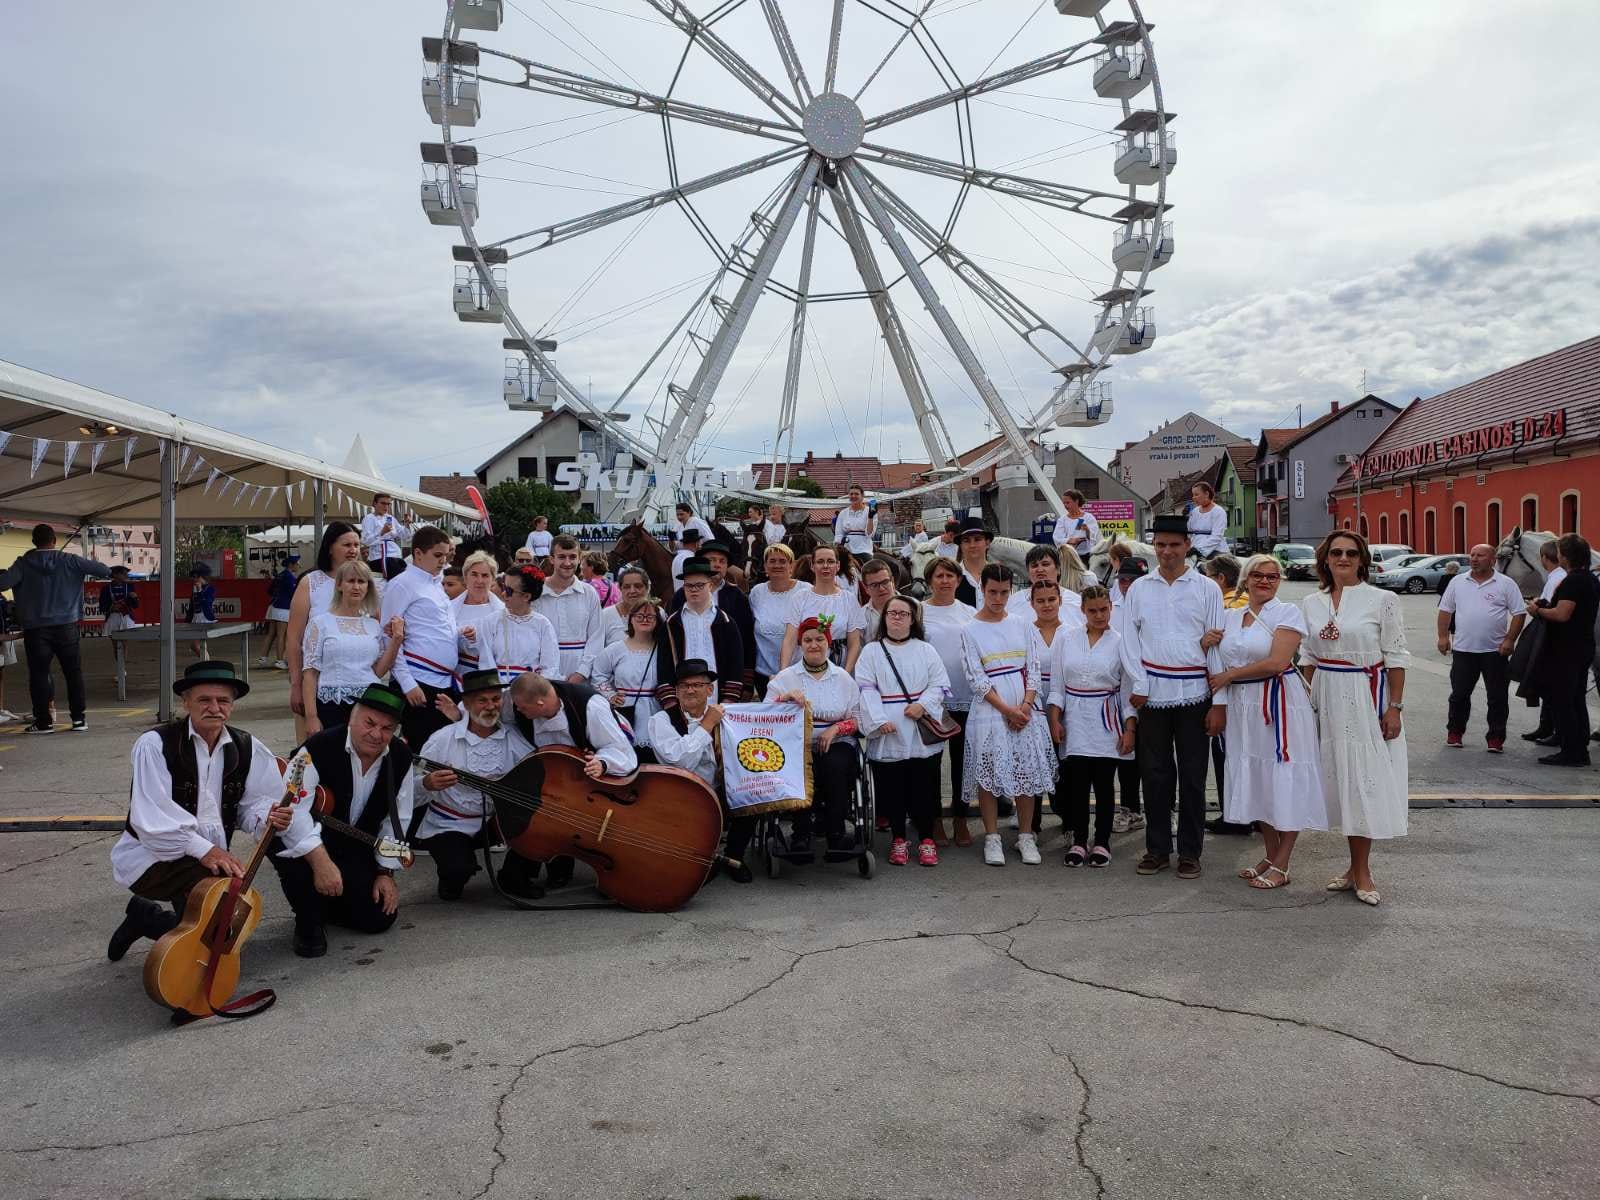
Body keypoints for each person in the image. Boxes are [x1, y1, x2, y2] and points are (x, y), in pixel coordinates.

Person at [105, 661, 292, 963]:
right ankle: (153, 921)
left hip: (209, 860)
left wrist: (267, 817)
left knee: (213, 929)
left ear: (232, 705)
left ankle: (147, 919)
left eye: (223, 700)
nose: (214, 708)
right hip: (151, 857)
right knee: (210, 926)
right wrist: (207, 850)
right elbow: (153, 820)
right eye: (204, 699)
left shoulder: (247, 746)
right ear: (186, 702)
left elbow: (253, 806)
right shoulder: (155, 744)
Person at [1302, 530, 1409, 905]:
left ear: (1362, 559)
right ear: (1325, 559)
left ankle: (1362, 870)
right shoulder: (1311, 602)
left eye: (1351, 553)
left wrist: (1394, 707)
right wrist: (1308, 702)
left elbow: (1395, 656)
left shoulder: (1382, 600)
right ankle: (1352, 868)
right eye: (1336, 552)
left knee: (1364, 781)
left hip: (1365, 698)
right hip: (1326, 697)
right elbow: (1308, 657)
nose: (1343, 558)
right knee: (1340, 783)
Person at [1207, 556, 1327, 890]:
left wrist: (1230, 675)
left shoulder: (1287, 613)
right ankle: (1271, 855)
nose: (1265, 581)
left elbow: (1277, 662)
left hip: (1279, 703)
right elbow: (1214, 653)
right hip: (1243, 706)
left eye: (1272, 576)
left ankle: (1283, 862)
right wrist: (1205, 643)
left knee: (1283, 777)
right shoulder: (1230, 616)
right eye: (1258, 575)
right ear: (1245, 579)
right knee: (1259, 779)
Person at [269, 684, 413, 956]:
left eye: (387, 728)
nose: (376, 734)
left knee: (378, 918)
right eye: (369, 723)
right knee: (282, 841)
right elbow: (294, 810)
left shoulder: (401, 757)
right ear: (351, 718)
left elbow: (398, 818)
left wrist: (385, 873)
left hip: (354, 846)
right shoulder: (315, 747)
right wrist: (320, 862)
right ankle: (308, 919)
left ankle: (326, 903)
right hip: (308, 843)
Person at [1122, 514, 1226, 880]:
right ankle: (1157, 849)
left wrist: (1218, 702)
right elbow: (1129, 641)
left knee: (1193, 777)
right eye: (1161, 545)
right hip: (1153, 695)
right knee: (1154, 775)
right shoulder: (1140, 589)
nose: (1167, 551)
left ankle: (1190, 852)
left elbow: (1217, 645)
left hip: (1195, 693)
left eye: (1174, 545)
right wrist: (1139, 684)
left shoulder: (1207, 589)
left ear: (1188, 546)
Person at [504, 669, 641, 891]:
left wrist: (602, 762)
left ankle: (618, 874)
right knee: (540, 812)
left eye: (522, 707)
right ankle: (527, 872)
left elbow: (620, 749)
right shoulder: (519, 703)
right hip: (553, 773)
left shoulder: (591, 707)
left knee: (600, 821)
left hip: (593, 772)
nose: (517, 710)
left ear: (540, 703)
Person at [961, 564, 1057, 866]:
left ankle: (1026, 836)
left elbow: (1034, 668)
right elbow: (976, 678)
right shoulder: (969, 629)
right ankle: (992, 838)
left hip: (1025, 710)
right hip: (991, 710)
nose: (998, 599)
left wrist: (1025, 706)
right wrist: (1007, 710)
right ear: (983, 590)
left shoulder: (1022, 624)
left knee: (1025, 771)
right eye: (992, 592)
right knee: (989, 774)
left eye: (1004, 592)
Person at [415, 670, 532, 901]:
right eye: (482, 701)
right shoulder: (441, 739)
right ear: (467, 704)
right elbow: (408, 787)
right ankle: (452, 875)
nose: (490, 706)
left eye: (496, 699)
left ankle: (513, 877)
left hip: (497, 822)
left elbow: (536, 773)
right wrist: (427, 783)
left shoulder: (514, 737)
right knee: (457, 869)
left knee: (539, 831)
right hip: (450, 822)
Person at [855, 596, 951, 867]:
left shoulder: (925, 650)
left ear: (912, 619)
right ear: (884, 618)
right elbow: (866, 688)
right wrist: (878, 720)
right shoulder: (872, 651)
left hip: (920, 728)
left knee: (924, 785)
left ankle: (927, 839)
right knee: (892, 786)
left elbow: (939, 684)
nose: (897, 617)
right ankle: (898, 838)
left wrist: (922, 705)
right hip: (888, 729)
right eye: (892, 613)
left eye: (903, 613)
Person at [1048, 585, 1137, 867]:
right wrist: (1054, 719)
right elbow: (1057, 685)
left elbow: (1127, 691)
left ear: (1111, 607)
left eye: (1104, 609)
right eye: (1093, 610)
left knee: (1103, 784)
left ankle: (1102, 841)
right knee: (1076, 784)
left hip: (1106, 719)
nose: (1099, 615)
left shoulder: (1121, 642)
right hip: (1074, 718)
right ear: (1082, 611)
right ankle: (1078, 840)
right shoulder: (1066, 638)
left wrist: (1130, 729)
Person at [769, 618, 867, 862]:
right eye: (808, 640)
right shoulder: (785, 678)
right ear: (800, 644)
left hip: (837, 742)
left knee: (835, 765)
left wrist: (836, 729)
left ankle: (836, 833)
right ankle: (801, 834)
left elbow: (858, 719)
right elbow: (765, 716)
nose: (814, 644)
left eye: (819, 639)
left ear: (828, 643)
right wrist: (784, 699)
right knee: (799, 768)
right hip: (795, 744)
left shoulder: (843, 678)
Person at [0, 524, 113, 734]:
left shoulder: (23, 563)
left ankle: (44, 722)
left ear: (33, 542)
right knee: (73, 673)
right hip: (67, 626)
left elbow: (3, 583)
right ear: (54, 540)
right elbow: (104, 571)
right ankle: (79, 719)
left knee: (39, 675)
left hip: (36, 629)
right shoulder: (70, 560)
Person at [648, 658, 752, 883]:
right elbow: (680, 761)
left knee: (753, 794)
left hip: (721, 788)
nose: (690, 690)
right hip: (685, 795)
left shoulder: (727, 716)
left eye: (697, 685)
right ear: (676, 691)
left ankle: (734, 856)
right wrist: (707, 726)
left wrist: (786, 698)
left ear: (710, 690)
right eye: (684, 686)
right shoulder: (661, 720)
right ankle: (702, 859)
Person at [381, 526, 470, 751]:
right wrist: (407, 683)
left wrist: (460, 633)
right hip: (418, 680)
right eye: (437, 555)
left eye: (446, 555)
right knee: (419, 750)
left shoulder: (436, 584)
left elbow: (434, 629)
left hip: (442, 681)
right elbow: (388, 637)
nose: (443, 561)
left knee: (441, 750)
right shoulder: (401, 584)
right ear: (418, 554)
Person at [1438, 543, 1525, 753]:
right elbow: (1445, 610)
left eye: (1480, 555)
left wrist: (1509, 640)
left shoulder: (1506, 584)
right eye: (1472, 555)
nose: (1474, 559)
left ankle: (1495, 738)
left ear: (1493, 560)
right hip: (1464, 650)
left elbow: (1519, 613)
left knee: (1497, 697)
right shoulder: (1458, 581)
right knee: (1459, 695)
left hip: (1495, 652)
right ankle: (1455, 732)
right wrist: (1442, 637)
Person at [1523, 533, 1598, 767]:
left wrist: (1537, 610)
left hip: (1567, 649)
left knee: (1564, 701)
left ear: (1565, 556)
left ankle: (1571, 751)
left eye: (1560, 552)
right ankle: (1579, 749)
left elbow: (1562, 614)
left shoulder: (1573, 581)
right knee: (1576, 700)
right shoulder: (1590, 579)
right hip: (1582, 646)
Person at [302, 560, 403, 734]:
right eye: (351, 581)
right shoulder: (320, 623)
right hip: (331, 706)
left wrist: (396, 641)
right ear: (339, 585)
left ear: (368, 587)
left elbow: (378, 671)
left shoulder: (373, 625)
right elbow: (310, 674)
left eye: (361, 581)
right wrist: (311, 716)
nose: (356, 586)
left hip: (369, 705)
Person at [287, 522, 366, 737]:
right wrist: (296, 684)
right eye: (347, 544)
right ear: (330, 547)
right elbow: (294, 639)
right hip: (315, 685)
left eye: (357, 544)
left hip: (359, 688)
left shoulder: (367, 584)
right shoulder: (310, 583)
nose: (353, 550)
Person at [921, 556, 976, 846]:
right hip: (931, 699)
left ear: (958, 580)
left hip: (965, 696)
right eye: (939, 576)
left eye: (949, 576)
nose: (944, 581)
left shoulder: (970, 612)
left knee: (962, 761)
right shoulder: (919, 612)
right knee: (931, 762)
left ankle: (960, 817)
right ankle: (934, 819)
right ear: (930, 581)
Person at [1200, 553, 1250, 835]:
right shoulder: (1250, 603)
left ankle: (1232, 815)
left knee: (1226, 753)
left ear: (1220, 579)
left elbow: (1214, 648)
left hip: (1230, 689)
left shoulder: (1224, 608)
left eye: (1208, 577)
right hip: (1257, 689)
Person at [660, 558, 747, 705]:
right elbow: (664, 666)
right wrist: (672, 705)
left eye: (700, 585)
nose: (694, 589)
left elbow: (736, 665)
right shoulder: (672, 624)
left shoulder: (726, 622)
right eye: (689, 585)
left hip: (719, 703)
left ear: (710, 586)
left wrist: (727, 702)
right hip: (682, 705)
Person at [673, 541, 755, 689]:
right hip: (687, 673)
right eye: (712, 560)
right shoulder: (681, 595)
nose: (717, 565)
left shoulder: (737, 596)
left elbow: (747, 639)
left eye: (722, 561)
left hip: (724, 673)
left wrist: (747, 681)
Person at [592, 600, 665, 765]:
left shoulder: (663, 650)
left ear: (657, 621)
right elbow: (598, 674)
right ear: (631, 619)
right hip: (626, 709)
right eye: (639, 616)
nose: (644, 620)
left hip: (656, 710)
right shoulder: (616, 649)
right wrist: (611, 695)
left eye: (650, 616)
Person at [779, 544, 865, 671]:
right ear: (812, 566)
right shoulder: (799, 598)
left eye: (830, 561)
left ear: (838, 566)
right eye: (820, 561)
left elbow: (854, 643)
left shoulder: (849, 600)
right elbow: (790, 639)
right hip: (806, 665)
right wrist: (783, 672)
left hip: (839, 666)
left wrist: (846, 674)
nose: (825, 566)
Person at [1108, 557, 1147, 833]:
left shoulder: (1155, 605)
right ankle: (1130, 809)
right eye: (1123, 580)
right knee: (1126, 754)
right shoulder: (1112, 608)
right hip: (1122, 690)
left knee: (1158, 758)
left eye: (1133, 580)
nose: (1127, 585)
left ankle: (1166, 809)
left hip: (1154, 689)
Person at [533, 534, 605, 683]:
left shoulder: (589, 593)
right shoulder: (536, 592)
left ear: (579, 559)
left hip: (580, 676)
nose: (567, 563)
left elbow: (596, 637)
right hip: (542, 676)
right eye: (561, 557)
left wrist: (582, 672)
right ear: (551, 559)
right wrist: (543, 674)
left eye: (572, 557)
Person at [1027, 578, 1068, 838]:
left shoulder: (1072, 632)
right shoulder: (1025, 632)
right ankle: (1031, 825)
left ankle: (1067, 818)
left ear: (1060, 600)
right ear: (1032, 603)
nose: (1046, 605)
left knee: (1063, 766)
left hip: (1064, 706)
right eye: (1040, 601)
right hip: (1033, 704)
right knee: (1033, 762)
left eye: (1051, 599)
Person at [479, 563, 561, 690]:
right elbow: (486, 662)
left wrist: (532, 691)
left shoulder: (542, 624)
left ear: (526, 596)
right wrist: (499, 689)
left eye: (509, 591)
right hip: (497, 691)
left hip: (530, 691)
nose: (503, 594)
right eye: (503, 587)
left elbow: (550, 666)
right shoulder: (491, 621)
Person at [748, 543, 811, 698]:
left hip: (801, 671)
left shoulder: (806, 590)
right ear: (765, 566)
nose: (777, 565)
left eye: (783, 561)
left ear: (791, 566)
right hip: (764, 674)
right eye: (772, 561)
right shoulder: (757, 592)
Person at [1521, 540, 1566, 744]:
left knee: (1552, 685)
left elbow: (1550, 608)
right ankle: (1546, 726)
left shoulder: (1558, 577)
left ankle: (1554, 729)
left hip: (1553, 638)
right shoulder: (1555, 577)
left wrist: (1535, 608)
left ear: (1544, 558)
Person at [452, 550, 505, 675]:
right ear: (465, 577)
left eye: (485, 575)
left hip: (492, 676)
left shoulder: (503, 611)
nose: (479, 580)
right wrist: (460, 635)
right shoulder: (449, 608)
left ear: (493, 579)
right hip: (456, 675)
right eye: (474, 574)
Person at [1009, 543, 1085, 628]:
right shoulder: (1013, 603)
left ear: (1058, 569)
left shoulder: (1077, 603)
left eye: (1045, 564)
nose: (1040, 570)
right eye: (1034, 566)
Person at [99, 563, 142, 675]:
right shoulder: (106, 588)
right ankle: (120, 667)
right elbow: (102, 606)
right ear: (115, 575)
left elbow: (136, 605)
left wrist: (135, 598)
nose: (126, 575)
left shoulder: (130, 586)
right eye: (123, 573)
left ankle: (122, 669)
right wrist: (111, 607)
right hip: (113, 618)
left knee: (124, 645)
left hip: (126, 617)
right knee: (116, 646)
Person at [361, 493, 412, 581]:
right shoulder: (369, 518)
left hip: (395, 554)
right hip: (380, 556)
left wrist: (407, 525)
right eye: (383, 503)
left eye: (388, 504)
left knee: (406, 575)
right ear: (375, 504)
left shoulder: (390, 518)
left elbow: (404, 535)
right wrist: (382, 532)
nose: (386, 506)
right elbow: (366, 541)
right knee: (396, 579)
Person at [259, 554, 297, 669]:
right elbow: (294, 594)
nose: (298, 565)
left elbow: (270, 590)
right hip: (283, 608)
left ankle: (263, 658)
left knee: (271, 633)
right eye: (297, 563)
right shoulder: (290, 577)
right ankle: (280, 661)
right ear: (291, 565)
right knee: (281, 635)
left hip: (273, 606)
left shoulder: (280, 575)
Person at [598, 563, 650, 647]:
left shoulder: (658, 613)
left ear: (647, 588)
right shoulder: (605, 615)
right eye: (627, 587)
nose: (632, 591)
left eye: (638, 586)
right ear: (620, 588)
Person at [952, 516, 992, 606]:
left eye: (977, 539)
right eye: (966, 541)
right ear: (960, 545)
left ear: (987, 543)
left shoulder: (998, 575)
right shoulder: (951, 577)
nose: (972, 545)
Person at [859, 556, 898, 642]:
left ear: (893, 581)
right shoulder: (860, 616)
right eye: (874, 585)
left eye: (885, 582)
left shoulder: (914, 606)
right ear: (866, 589)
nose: (881, 589)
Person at [1052, 490, 1100, 560]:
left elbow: (1095, 537)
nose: (1065, 505)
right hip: (1069, 557)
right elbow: (1057, 538)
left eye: (1068, 502)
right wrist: (1069, 540)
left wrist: (1087, 530)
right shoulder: (1062, 520)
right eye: (1064, 503)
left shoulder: (1088, 517)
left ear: (1076, 501)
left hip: (1086, 556)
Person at [1186, 482, 1229, 560]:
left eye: (1196, 494)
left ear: (1206, 494)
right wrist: (1185, 517)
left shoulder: (1218, 511)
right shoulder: (1194, 512)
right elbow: (1189, 533)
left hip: (1216, 551)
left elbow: (1216, 536)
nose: (1193, 498)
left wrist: (1200, 550)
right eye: (1193, 495)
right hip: (1195, 550)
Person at [833, 485, 876, 562]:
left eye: (856, 494)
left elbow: (869, 534)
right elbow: (839, 533)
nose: (853, 496)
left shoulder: (870, 511)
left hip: (864, 548)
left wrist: (870, 517)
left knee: (869, 565)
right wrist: (837, 546)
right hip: (846, 548)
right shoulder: (843, 513)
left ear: (862, 496)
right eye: (851, 494)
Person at [186, 564, 218, 661]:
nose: (194, 579)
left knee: (197, 644)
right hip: (196, 619)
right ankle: (206, 662)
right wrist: (187, 621)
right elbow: (192, 606)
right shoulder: (194, 589)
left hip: (205, 619)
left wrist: (199, 590)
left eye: (197, 577)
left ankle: (206, 662)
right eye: (194, 577)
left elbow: (206, 603)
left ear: (203, 577)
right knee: (195, 645)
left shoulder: (210, 589)